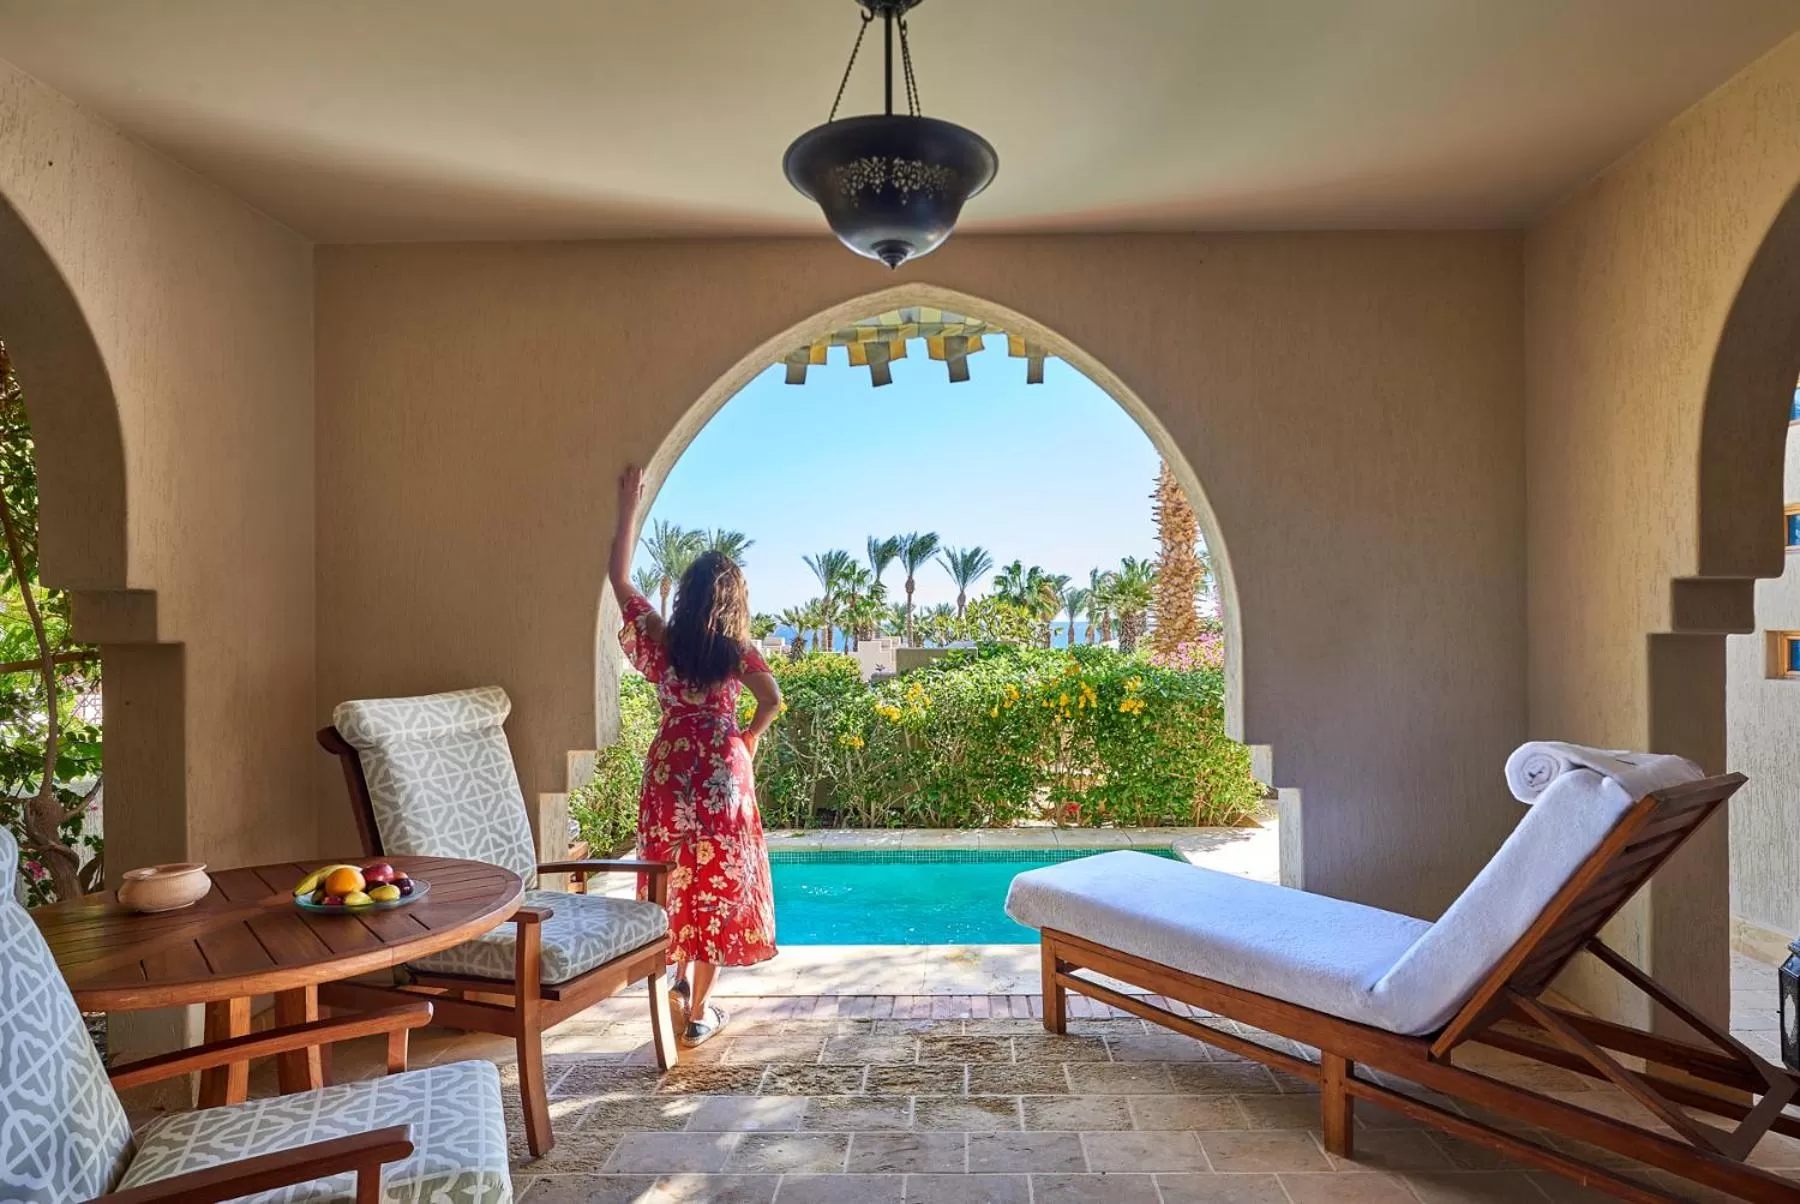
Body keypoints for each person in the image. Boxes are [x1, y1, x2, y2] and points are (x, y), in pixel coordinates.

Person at [608, 464, 782, 1046]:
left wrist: (628, 505)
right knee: (718, 883)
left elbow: (619, 578)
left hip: (670, 770)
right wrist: (746, 738)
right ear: (734, 602)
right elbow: (772, 700)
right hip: (723, 775)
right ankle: (701, 1012)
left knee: (672, 875)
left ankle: (677, 978)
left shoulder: (663, 639)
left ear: (687, 596)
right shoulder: (737, 650)